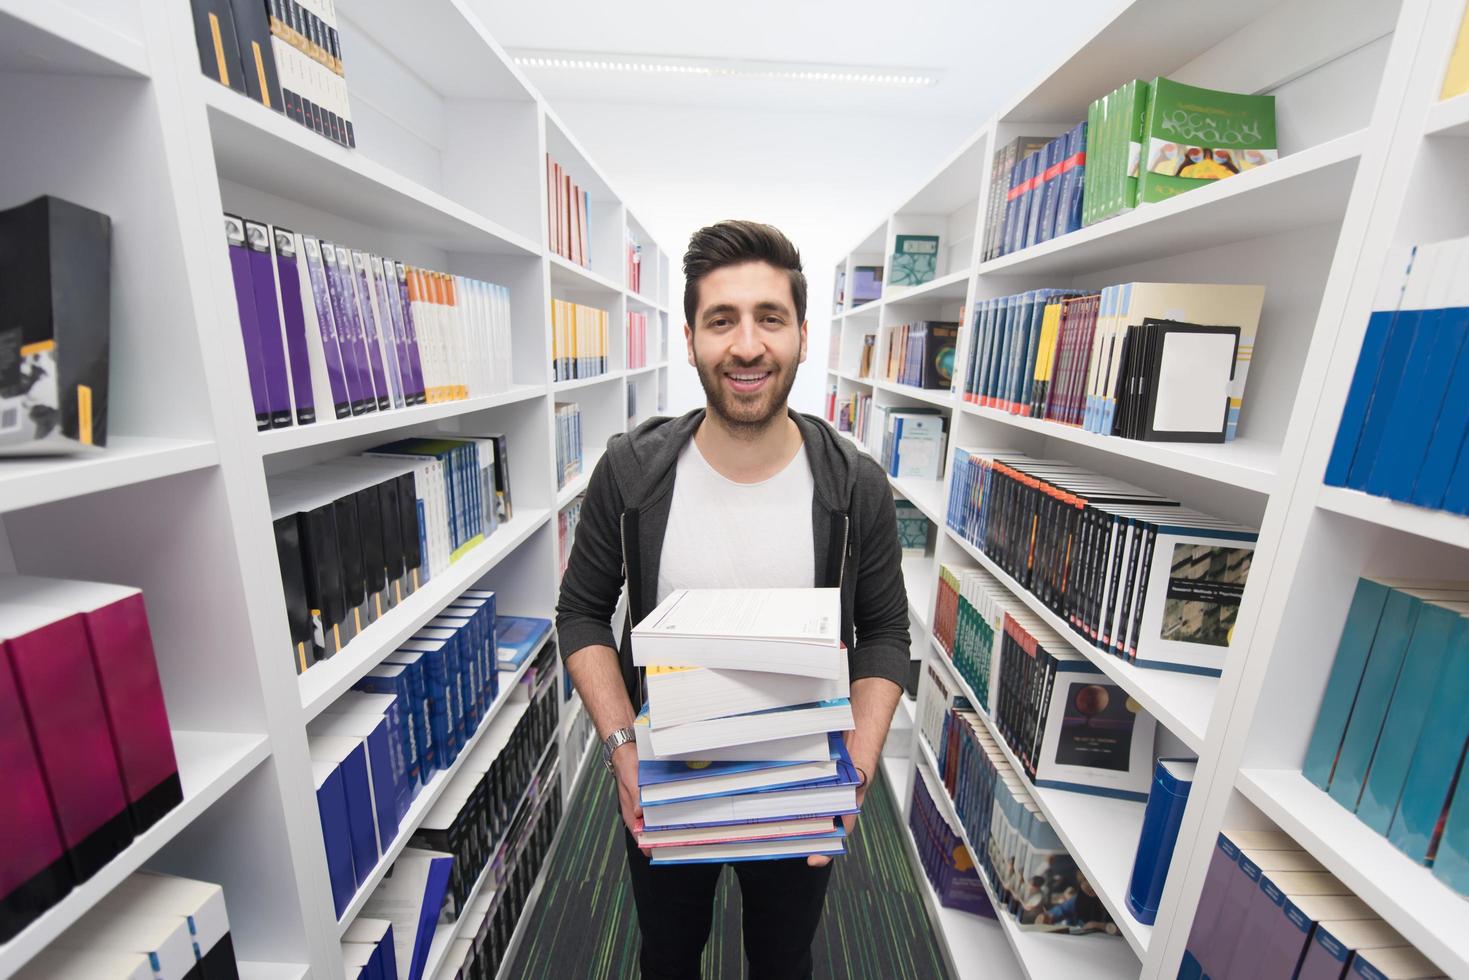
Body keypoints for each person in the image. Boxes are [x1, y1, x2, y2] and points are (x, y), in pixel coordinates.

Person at [555, 219, 910, 979]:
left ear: (802, 336)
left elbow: (884, 631)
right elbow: (580, 612)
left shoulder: (854, 486)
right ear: (689, 339)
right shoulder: (630, 473)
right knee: (668, 955)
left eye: (768, 318)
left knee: (783, 959)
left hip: (800, 782)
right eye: (721, 320)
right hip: (662, 777)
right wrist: (620, 749)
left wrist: (857, 762)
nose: (746, 346)